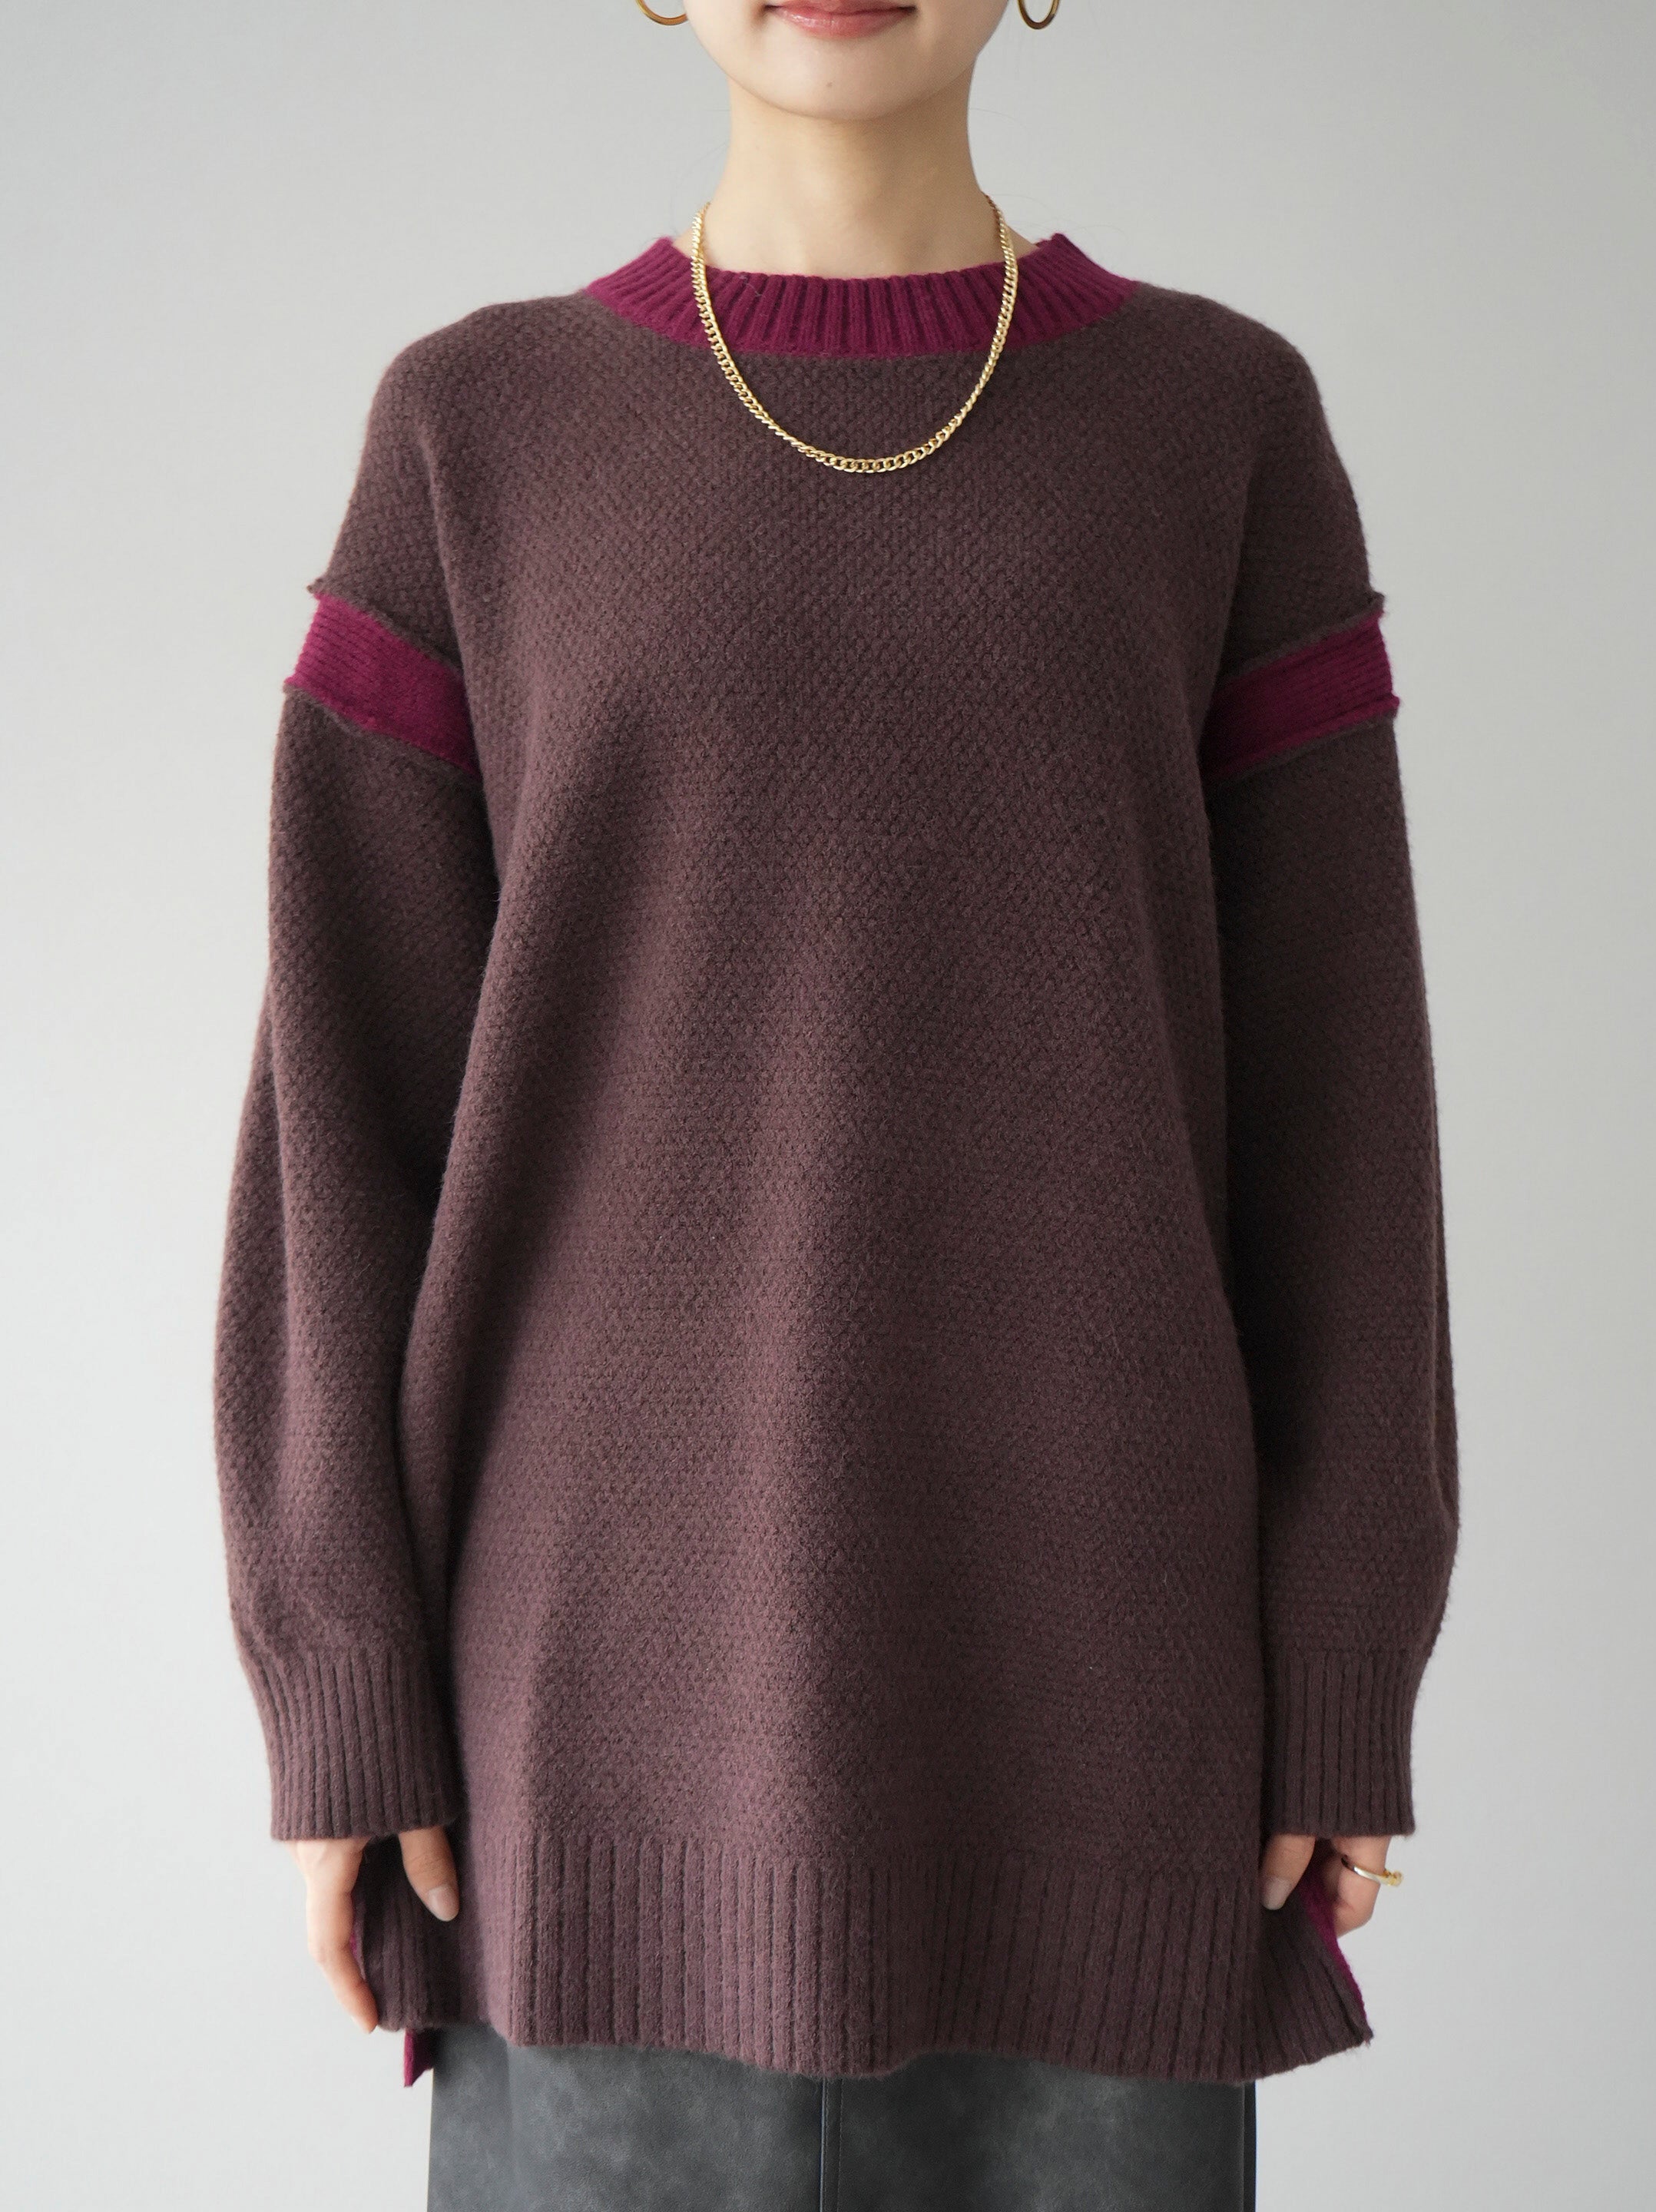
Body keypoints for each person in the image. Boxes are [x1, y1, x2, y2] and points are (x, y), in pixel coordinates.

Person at [211, 2, 1459, 2204]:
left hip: (1106, 1725)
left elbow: (1341, 1104)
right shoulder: (474, 433)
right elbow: (341, 1107)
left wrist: (1351, 1641)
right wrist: (338, 1675)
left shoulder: (1220, 427)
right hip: (584, 1756)